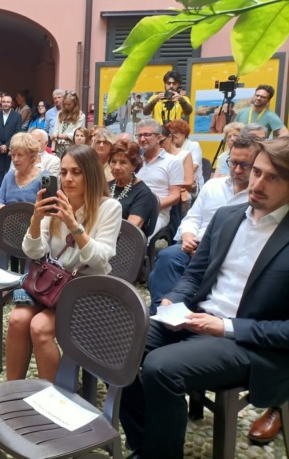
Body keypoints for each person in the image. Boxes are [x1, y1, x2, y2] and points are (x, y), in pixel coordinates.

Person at [119, 137, 289, 459]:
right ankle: (145, 444)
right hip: (196, 318)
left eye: (273, 178)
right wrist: (174, 299)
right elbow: (194, 275)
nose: (257, 184)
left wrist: (225, 327)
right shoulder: (227, 217)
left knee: (160, 367)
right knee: (119, 342)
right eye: (257, 172)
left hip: (248, 341)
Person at [6, 144, 122, 382]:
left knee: (39, 327)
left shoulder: (109, 207)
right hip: (52, 283)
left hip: (86, 287)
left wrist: (73, 224)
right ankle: (12, 389)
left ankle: (51, 396)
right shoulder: (55, 203)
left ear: (91, 174)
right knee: (17, 319)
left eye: (76, 172)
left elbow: (100, 261)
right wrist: (36, 220)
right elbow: (33, 252)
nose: (68, 179)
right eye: (64, 172)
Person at [148, 135, 257, 315]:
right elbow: (192, 217)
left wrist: (209, 250)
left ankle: (176, 315)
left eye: (245, 165)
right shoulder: (213, 186)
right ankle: (161, 315)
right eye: (233, 163)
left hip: (227, 252)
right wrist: (187, 236)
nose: (237, 170)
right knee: (167, 257)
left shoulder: (257, 196)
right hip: (194, 244)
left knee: (167, 273)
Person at [0, 132, 41, 267]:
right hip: (7, 222)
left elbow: (46, 208)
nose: (15, 159)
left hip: (32, 224)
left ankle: (29, 277)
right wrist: (8, 216)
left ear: (32, 157)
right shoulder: (9, 176)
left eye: (20, 155)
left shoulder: (43, 178)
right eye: (13, 155)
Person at [135, 119, 184, 236]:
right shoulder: (135, 160)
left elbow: (175, 197)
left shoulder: (173, 162)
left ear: (159, 138)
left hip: (157, 213)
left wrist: (148, 207)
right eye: (139, 135)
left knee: (135, 237)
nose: (142, 139)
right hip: (132, 209)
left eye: (147, 135)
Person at [108, 140, 156, 237]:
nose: (116, 167)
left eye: (123, 162)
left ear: (134, 166)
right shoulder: (105, 186)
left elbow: (130, 230)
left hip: (124, 241)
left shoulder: (143, 193)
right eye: (113, 161)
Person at [0, 92, 23, 190]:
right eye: (4, 102)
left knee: (11, 171)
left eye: (8, 102)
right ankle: (0, 191)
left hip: (11, 150)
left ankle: (9, 190)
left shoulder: (17, 116)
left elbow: (17, 132)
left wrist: (7, 145)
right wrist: (0, 145)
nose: (6, 104)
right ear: (1, 102)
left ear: (11, 103)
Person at [51, 91, 85, 158]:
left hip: (72, 147)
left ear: (75, 104)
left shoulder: (81, 116)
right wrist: (52, 150)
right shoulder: (60, 114)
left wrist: (58, 136)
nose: (66, 106)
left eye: (69, 104)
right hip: (58, 147)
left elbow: (75, 134)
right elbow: (55, 131)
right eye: (65, 104)